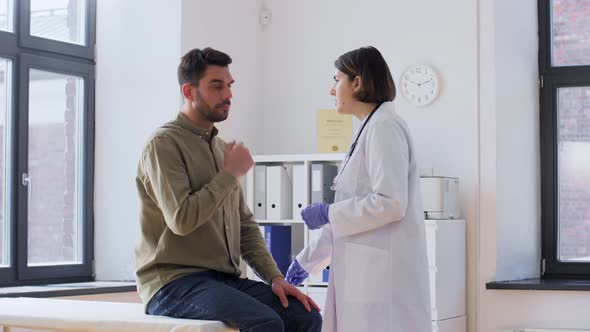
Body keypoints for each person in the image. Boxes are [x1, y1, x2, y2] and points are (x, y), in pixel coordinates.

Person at [135, 47, 322, 332]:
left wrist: (275, 278)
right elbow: (181, 220)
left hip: (222, 279)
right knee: (266, 322)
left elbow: (244, 226)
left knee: (304, 315)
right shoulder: (164, 144)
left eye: (229, 85)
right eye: (216, 86)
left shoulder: (222, 149)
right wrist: (230, 174)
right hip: (173, 283)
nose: (228, 95)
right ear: (189, 91)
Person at [285, 46, 432, 332]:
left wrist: (328, 212)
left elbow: (389, 203)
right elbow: (349, 217)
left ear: (357, 82)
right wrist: (306, 260)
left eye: (336, 79)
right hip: (365, 275)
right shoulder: (368, 128)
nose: (332, 90)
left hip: (381, 281)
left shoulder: (384, 127)